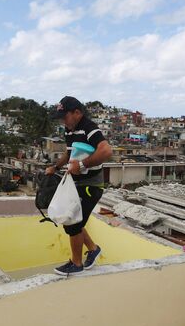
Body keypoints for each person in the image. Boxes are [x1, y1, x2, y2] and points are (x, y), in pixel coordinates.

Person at [46, 96, 112, 275]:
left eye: (64, 117)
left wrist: (82, 165)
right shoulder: (69, 131)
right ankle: (92, 249)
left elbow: (106, 151)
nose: (63, 122)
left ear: (77, 113)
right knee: (74, 219)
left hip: (92, 185)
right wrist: (55, 167)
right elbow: (69, 155)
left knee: (72, 222)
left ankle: (76, 263)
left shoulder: (89, 128)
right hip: (76, 183)